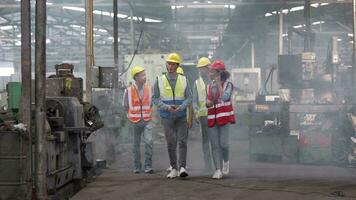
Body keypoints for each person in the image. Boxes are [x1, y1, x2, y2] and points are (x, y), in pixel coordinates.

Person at [152, 53, 192, 178]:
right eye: (168, 63)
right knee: (170, 143)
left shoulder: (184, 80)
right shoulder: (159, 80)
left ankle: (182, 168)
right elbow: (155, 98)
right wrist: (166, 107)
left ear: (177, 65)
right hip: (166, 115)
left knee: (182, 142)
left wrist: (182, 107)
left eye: (173, 64)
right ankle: (174, 168)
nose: (170, 66)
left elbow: (190, 97)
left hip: (180, 115)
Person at [206, 60, 235, 179]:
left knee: (223, 144)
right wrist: (207, 103)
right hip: (213, 118)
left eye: (212, 71)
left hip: (224, 118)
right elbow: (207, 101)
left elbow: (224, 97)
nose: (209, 72)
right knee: (214, 145)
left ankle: (226, 161)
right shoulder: (209, 86)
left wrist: (218, 84)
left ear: (219, 73)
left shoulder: (228, 85)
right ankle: (218, 169)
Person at [123, 65, 154, 174]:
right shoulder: (128, 90)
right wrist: (130, 116)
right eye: (142, 75)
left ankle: (148, 166)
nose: (144, 77)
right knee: (136, 144)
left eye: (144, 75)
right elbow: (125, 105)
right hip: (134, 121)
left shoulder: (149, 89)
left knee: (149, 142)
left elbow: (151, 104)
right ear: (135, 77)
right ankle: (137, 166)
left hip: (147, 120)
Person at [193, 57, 213, 172]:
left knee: (215, 141)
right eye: (199, 69)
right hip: (204, 116)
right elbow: (195, 100)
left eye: (202, 68)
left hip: (215, 114)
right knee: (206, 141)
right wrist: (196, 112)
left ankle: (217, 165)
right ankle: (208, 166)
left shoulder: (214, 81)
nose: (201, 71)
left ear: (208, 68)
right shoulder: (197, 83)